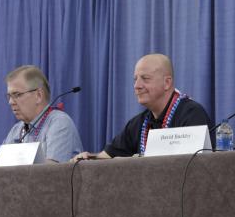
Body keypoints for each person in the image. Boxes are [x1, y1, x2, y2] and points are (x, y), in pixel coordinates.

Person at [72, 53, 214, 160]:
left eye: (145, 79)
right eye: (135, 79)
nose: (137, 86)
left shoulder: (192, 114)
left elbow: (197, 167)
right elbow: (107, 158)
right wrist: (89, 158)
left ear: (167, 83)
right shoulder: (139, 123)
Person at [0, 65, 83, 167]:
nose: (10, 102)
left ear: (38, 95)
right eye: (9, 96)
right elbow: (2, 169)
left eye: (17, 95)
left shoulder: (59, 123)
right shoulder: (17, 130)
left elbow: (54, 169)